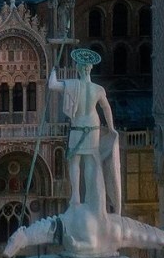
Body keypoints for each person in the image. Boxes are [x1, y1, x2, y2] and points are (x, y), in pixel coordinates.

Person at [48, 48, 120, 216]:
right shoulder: (99, 89)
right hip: (93, 126)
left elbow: (52, 85)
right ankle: (88, 196)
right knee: (89, 162)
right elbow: (106, 108)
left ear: (79, 68)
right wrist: (111, 128)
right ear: (90, 69)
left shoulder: (72, 84)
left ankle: (76, 197)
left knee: (74, 161)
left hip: (78, 125)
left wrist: (53, 71)